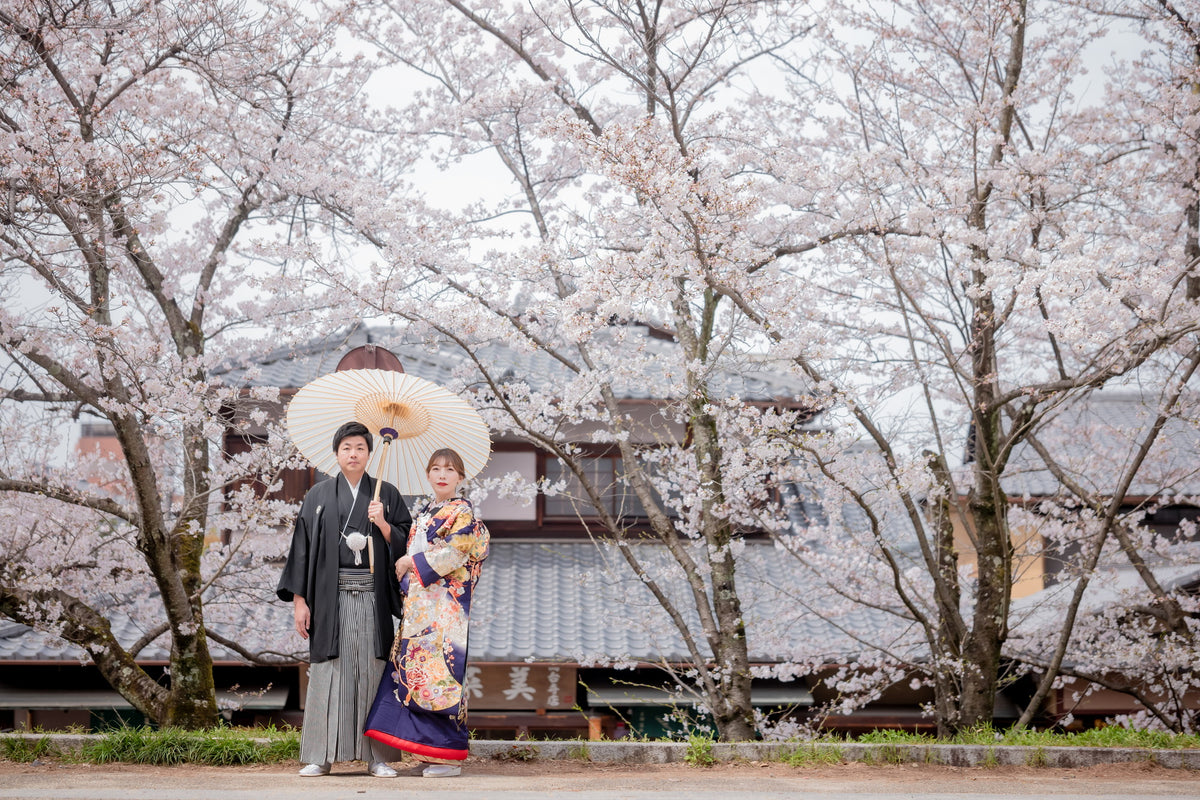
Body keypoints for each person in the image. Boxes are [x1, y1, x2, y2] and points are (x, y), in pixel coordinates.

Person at [277, 420, 412, 778]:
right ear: (336, 454)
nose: (353, 454)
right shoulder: (318, 496)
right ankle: (320, 756)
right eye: (346, 448)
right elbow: (301, 552)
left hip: (372, 596)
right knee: (328, 673)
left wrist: (383, 524)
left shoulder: (387, 494)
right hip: (328, 598)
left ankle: (378, 757)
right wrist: (300, 602)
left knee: (373, 670)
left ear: (369, 453)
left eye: (360, 448)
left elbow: (407, 542)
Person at [364, 448, 489, 778]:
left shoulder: (463, 513)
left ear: (460, 477)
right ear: (428, 475)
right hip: (421, 610)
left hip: (444, 612)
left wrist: (412, 562)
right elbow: (408, 545)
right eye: (435, 469)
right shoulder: (425, 512)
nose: (442, 475)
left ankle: (447, 757)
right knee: (416, 678)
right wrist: (384, 527)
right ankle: (429, 751)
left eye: (449, 469)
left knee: (440, 679)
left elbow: (460, 551)